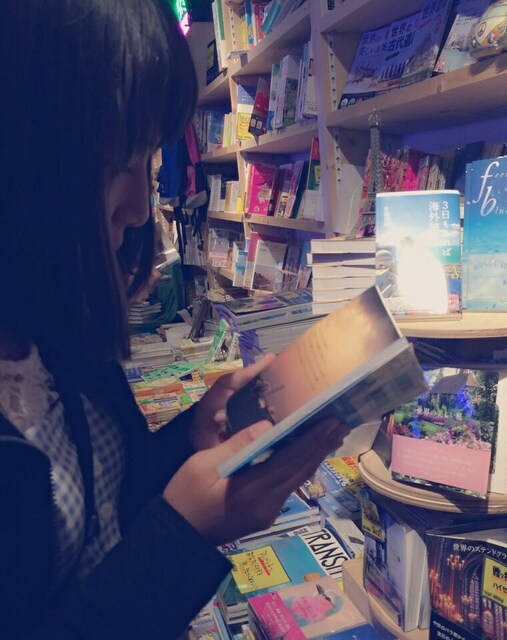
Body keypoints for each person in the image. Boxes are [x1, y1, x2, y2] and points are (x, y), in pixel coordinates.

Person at [0, 1, 349, 638]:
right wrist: (181, 535)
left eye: (149, 161)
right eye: (117, 163)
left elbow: (106, 499)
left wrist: (190, 440)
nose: (140, 207)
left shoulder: (50, 316)